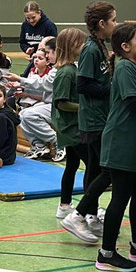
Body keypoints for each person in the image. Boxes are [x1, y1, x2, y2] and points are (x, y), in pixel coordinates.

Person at [94, 23, 136, 272]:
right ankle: (106, 253)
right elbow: (134, 103)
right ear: (126, 46)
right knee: (120, 197)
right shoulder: (124, 69)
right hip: (122, 141)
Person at [60, 2, 116, 243]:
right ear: (102, 24)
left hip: (99, 117)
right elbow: (84, 85)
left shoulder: (100, 46)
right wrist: (112, 89)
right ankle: (78, 215)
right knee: (107, 171)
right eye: (113, 20)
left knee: (93, 169)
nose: (115, 24)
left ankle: (91, 215)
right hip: (94, 120)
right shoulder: (91, 49)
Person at [52, 28, 86, 219]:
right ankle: (88, 207)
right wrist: (85, 108)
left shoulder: (72, 69)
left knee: (72, 164)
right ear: (73, 46)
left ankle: (65, 204)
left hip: (72, 125)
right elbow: (61, 103)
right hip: (71, 128)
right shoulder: (66, 72)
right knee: (93, 165)